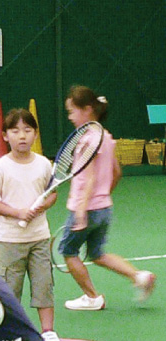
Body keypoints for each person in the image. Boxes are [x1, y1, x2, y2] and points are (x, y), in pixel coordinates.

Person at [58, 86, 156, 310]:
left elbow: (90, 178)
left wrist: (82, 210)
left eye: (73, 111)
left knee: (69, 252)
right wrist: (102, 198)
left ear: (88, 110)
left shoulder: (85, 141)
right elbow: (117, 173)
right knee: (97, 254)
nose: (70, 117)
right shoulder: (107, 137)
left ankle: (92, 297)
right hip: (103, 208)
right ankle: (139, 276)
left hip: (85, 208)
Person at [0, 109, 66, 341]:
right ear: (5, 135)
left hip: (39, 238)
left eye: (28, 130)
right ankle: (10, 335)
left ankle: (48, 333)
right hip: (9, 240)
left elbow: (52, 194)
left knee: (44, 285)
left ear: (35, 134)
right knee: (9, 291)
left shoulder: (43, 164)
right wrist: (17, 213)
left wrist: (43, 205)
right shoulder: (0, 168)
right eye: (15, 131)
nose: (22, 136)